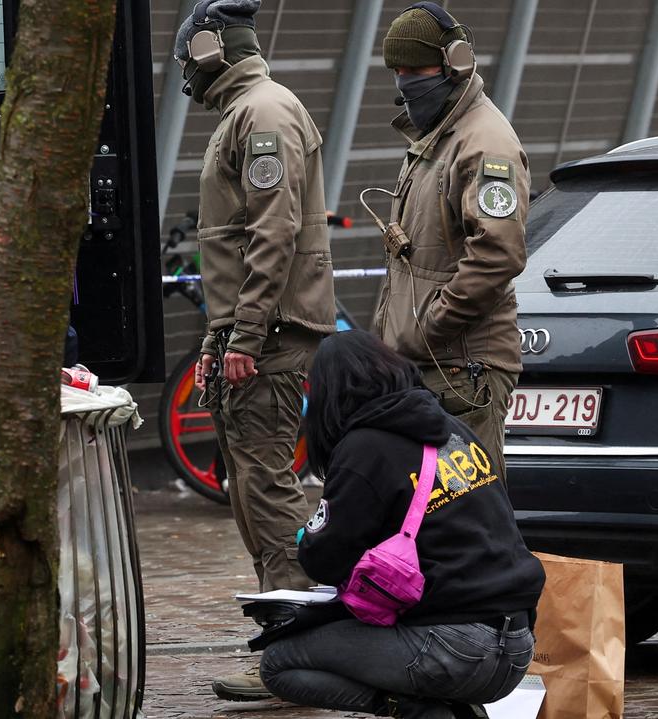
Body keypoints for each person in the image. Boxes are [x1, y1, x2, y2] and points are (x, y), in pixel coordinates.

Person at [174, 0, 337, 701]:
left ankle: (299, 649)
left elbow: (271, 235)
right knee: (250, 485)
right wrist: (220, 337)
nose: (182, 65)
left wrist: (243, 335)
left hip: (268, 338)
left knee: (267, 486)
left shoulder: (263, 114)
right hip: (249, 333)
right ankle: (290, 639)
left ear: (210, 49)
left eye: (188, 51)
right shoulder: (248, 111)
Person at [258, 330, 545, 718]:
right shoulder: (451, 429)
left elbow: (322, 560)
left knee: (280, 662)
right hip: (518, 643)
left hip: (458, 647)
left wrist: (310, 534)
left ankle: (421, 711)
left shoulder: (363, 449)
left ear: (329, 395)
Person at [371, 2, 529, 482]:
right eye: (396, 70)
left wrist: (427, 328)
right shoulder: (437, 137)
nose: (404, 81)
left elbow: (497, 254)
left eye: (415, 68)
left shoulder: (485, 144)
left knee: (469, 522)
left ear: (456, 62)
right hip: (431, 367)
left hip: (461, 369)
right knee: (432, 527)